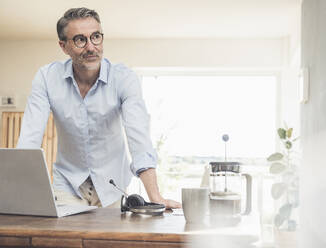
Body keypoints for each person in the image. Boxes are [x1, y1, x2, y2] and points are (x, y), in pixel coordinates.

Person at [17, 7, 181, 209]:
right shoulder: (47, 78)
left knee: (108, 241)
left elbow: (139, 139)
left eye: (96, 37)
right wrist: (20, 196)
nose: (91, 47)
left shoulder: (123, 78)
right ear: (63, 46)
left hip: (113, 186)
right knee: (63, 240)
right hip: (68, 184)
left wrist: (155, 196)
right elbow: (29, 139)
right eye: (80, 39)